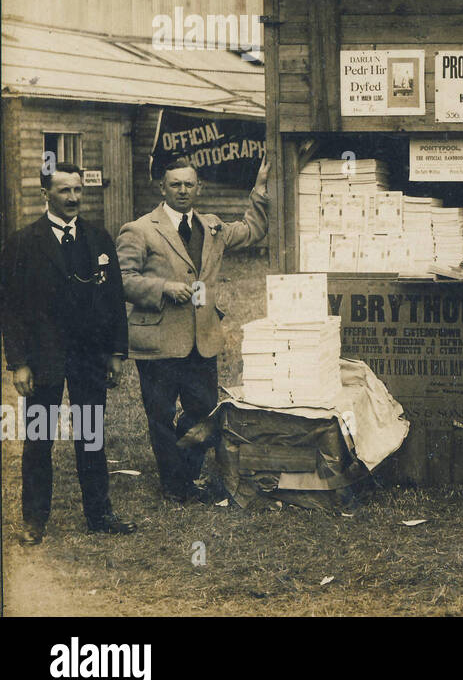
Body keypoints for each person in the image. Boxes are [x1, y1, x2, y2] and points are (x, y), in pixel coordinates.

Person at [116, 156, 269, 503]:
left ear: (198, 188)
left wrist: (260, 189)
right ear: (162, 187)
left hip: (202, 340)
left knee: (203, 412)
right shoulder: (139, 229)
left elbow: (253, 230)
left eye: (189, 184)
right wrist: (162, 288)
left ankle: (186, 472)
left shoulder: (212, 226)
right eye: (175, 184)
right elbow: (122, 280)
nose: (183, 190)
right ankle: (176, 485)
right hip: (158, 342)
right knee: (162, 416)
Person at [0, 163, 135, 543]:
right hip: (43, 358)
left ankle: (99, 513)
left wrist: (116, 353)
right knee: (39, 437)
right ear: (46, 194)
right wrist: (19, 363)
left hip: (89, 356)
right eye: (64, 191)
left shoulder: (98, 238)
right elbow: (10, 307)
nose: (73, 198)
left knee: (91, 435)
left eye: (77, 190)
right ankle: (34, 520)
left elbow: (112, 299)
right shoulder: (24, 242)